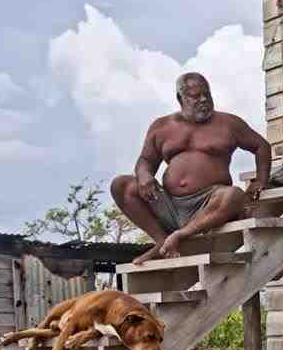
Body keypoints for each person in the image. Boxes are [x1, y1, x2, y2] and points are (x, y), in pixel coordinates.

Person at [110, 72, 272, 264]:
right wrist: (144, 175)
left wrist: (261, 180)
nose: (203, 100)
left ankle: (179, 236)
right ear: (181, 98)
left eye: (207, 94)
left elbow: (261, 146)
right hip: (169, 205)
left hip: (209, 204)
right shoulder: (162, 127)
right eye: (196, 96)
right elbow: (145, 160)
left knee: (233, 195)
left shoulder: (229, 123)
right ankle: (162, 243)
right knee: (121, 185)